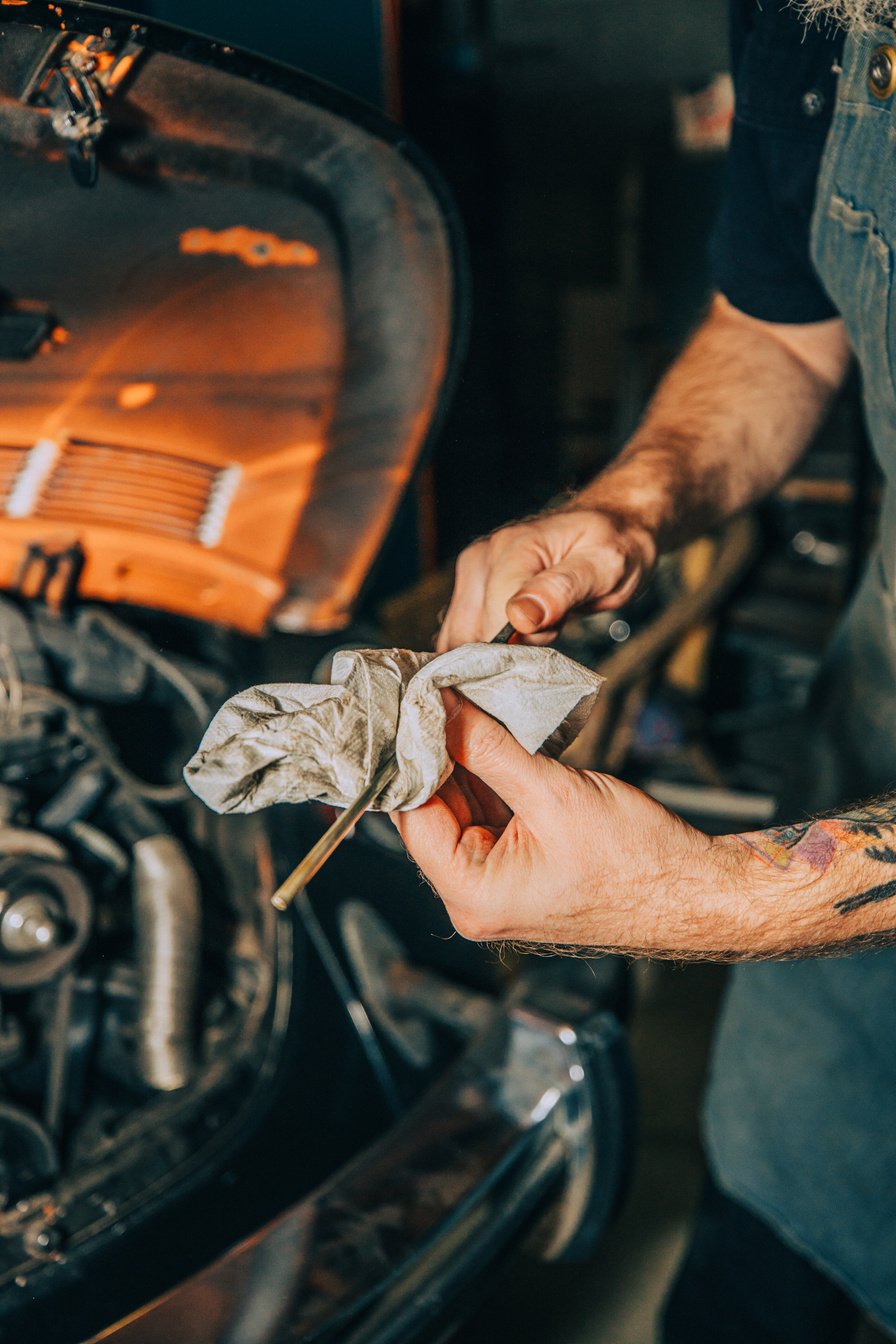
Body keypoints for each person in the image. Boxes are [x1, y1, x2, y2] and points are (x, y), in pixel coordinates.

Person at [392, 2, 896, 1340]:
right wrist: (630, 500)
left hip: (798, 889)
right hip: (863, 811)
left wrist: (727, 894)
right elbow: (784, 327)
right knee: (773, 1259)